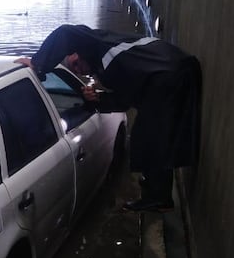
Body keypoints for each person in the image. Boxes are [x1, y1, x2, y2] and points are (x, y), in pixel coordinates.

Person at [15, 24, 201, 212]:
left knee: (150, 136)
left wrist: (38, 63)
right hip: (174, 68)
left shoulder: (98, 47)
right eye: (76, 70)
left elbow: (65, 32)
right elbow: (125, 100)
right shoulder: (109, 60)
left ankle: (158, 197)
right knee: (158, 135)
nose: (79, 70)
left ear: (78, 52)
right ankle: (158, 194)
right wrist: (98, 98)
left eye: (76, 64)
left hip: (168, 73)